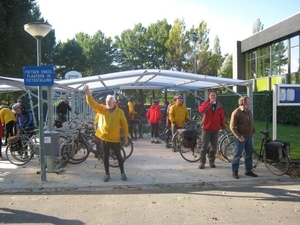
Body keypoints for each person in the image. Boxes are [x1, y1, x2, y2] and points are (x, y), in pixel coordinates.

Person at [83, 85, 129, 182]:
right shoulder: (102, 109)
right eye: (107, 102)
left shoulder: (120, 112)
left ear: (114, 102)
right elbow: (93, 104)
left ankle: (123, 173)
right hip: (104, 138)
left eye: (110, 102)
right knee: (105, 156)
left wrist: (126, 136)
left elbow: (124, 125)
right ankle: (107, 174)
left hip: (115, 138)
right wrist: (88, 94)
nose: (108, 103)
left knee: (119, 157)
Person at [230, 96, 257, 179]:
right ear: (243, 102)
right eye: (248, 101)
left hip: (249, 136)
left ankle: (248, 170)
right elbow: (232, 126)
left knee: (249, 154)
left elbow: (250, 122)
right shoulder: (236, 112)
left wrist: (252, 131)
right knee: (237, 155)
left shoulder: (248, 111)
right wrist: (239, 136)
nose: (249, 102)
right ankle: (235, 171)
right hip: (241, 137)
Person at [198, 91, 226, 169]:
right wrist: (209, 104)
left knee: (213, 146)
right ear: (209, 97)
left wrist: (223, 127)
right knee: (204, 146)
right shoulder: (205, 104)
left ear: (216, 96)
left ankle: (211, 161)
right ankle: (202, 162)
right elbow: (201, 110)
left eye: (214, 95)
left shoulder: (219, 106)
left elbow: (222, 118)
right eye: (211, 95)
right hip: (206, 129)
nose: (213, 96)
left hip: (215, 129)